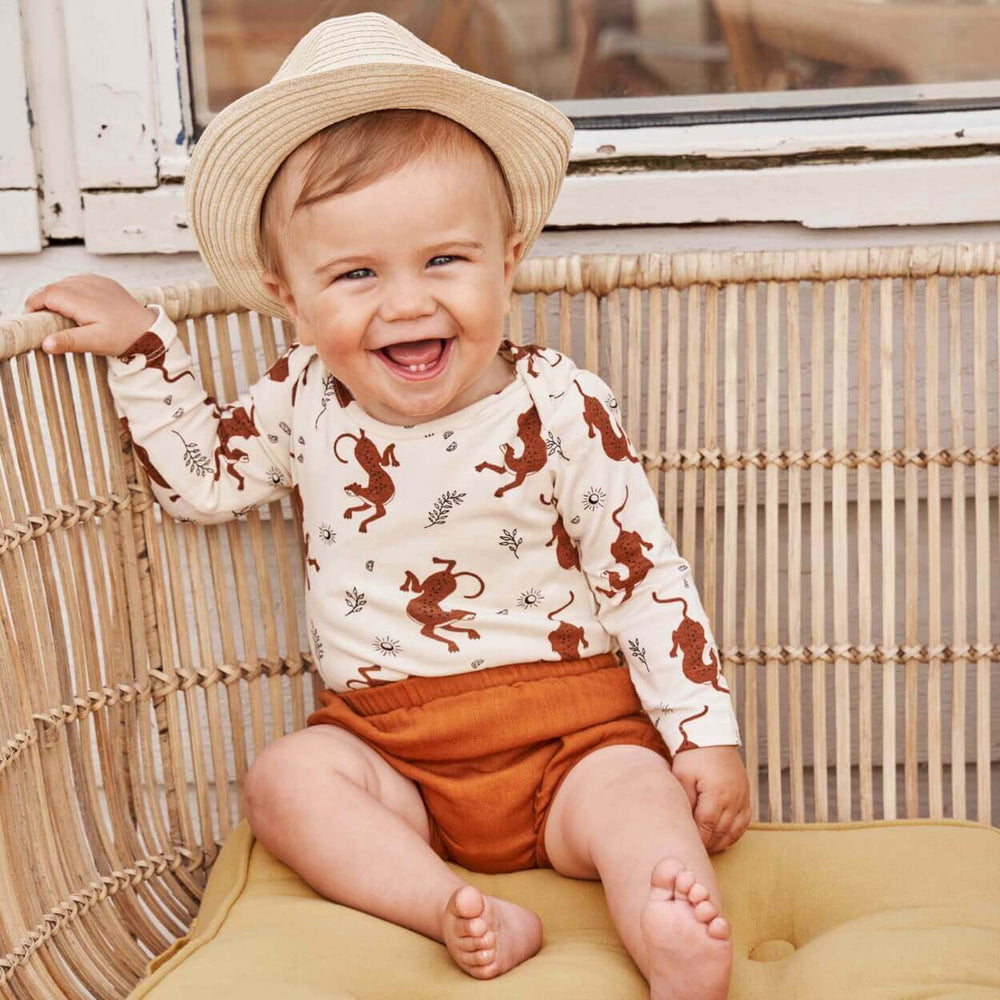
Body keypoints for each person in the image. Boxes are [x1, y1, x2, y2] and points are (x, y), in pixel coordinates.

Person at [24, 13, 749, 999]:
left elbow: (641, 574)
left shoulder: (558, 404)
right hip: (392, 754)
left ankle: (662, 914)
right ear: (289, 299)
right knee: (286, 780)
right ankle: (447, 904)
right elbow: (204, 477)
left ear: (508, 258)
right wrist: (144, 349)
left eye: (444, 260)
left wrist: (702, 734)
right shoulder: (302, 398)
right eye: (356, 274)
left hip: (570, 737)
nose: (406, 303)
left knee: (637, 796)